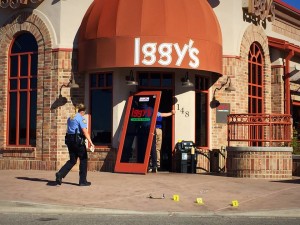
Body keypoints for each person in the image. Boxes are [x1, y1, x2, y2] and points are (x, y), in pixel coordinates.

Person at [55, 103, 94, 186]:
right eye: (84, 111)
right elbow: (84, 131)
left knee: (72, 160)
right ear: (82, 111)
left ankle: (60, 174)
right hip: (78, 141)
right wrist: (91, 142)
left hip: (70, 141)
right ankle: (83, 181)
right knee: (83, 160)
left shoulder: (70, 118)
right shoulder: (81, 118)